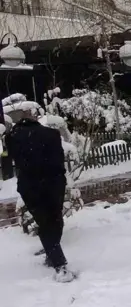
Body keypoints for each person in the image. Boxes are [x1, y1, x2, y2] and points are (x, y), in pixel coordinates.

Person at [6, 114, 75, 282]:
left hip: (31, 186)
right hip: (54, 183)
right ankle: (52, 256)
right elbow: (59, 158)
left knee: (44, 223)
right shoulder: (52, 134)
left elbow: (9, 159)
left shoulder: (12, 137)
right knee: (55, 219)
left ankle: (60, 265)